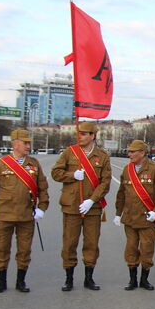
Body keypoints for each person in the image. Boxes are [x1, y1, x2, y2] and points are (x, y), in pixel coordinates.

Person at [0, 129, 49, 293]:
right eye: (25, 143)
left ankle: (21, 281)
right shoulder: (2, 164)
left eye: (29, 143)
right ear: (15, 144)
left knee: (24, 250)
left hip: (27, 215)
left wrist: (42, 208)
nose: (28, 146)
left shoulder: (34, 164)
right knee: (2, 249)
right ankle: (1, 281)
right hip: (5, 214)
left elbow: (43, 188)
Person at [50, 121, 112, 291]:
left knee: (91, 243)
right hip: (72, 206)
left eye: (84, 134)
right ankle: (69, 278)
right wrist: (72, 175)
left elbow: (105, 183)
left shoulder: (102, 156)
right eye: (79, 133)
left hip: (92, 207)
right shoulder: (70, 153)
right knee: (69, 242)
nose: (80, 137)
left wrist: (92, 200)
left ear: (92, 136)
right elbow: (55, 173)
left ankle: (88, 278)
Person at [114, 140, 155, 291]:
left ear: (142, 153)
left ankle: (144, 279)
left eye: (132, 151)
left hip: (147, 219)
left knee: (147, 249)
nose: (129, 154)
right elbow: (121, 193)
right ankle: (132, 280)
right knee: (131, 249)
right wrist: (118, 213)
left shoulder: (154, 170)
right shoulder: (127, 170)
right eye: (129, 151)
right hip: (130, 218)